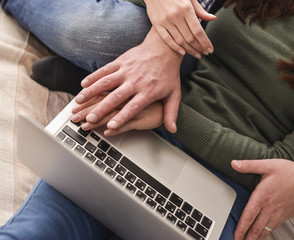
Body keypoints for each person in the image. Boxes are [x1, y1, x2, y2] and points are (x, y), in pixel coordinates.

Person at [0, 0, 294, 240]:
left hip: (221, 187)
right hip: (149, 129)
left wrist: (167, 115)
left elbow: (277, 164)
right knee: (32, 232)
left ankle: (74, 74)